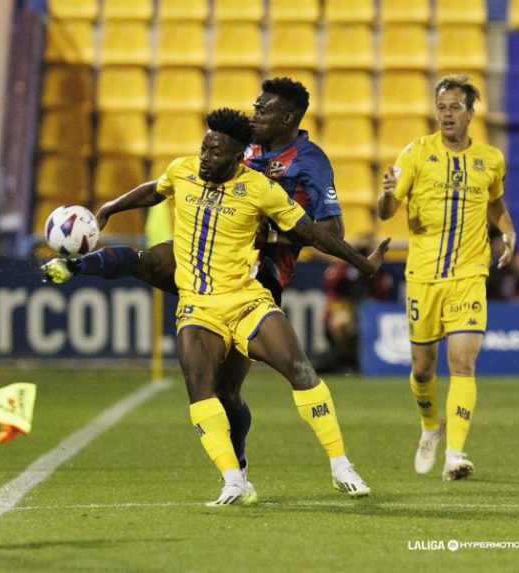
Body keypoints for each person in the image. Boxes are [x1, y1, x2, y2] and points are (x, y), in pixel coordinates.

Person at [43, 78, 346, 479]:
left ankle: (243, 457)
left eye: (263, 109)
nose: (254, 113)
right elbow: (162, 185)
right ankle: (76, 266)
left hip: (261, 271)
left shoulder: (309, 160)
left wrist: (270, 232)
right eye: (254, 106)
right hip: (206, 254)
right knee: (146, 260)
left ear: (288, 117)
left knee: (226, 391)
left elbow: (332, 232)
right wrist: (112, 206)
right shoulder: (241, 146)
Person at [86, 108, 387, 505]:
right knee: (204, 389)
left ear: (237, 155)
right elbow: (155, 189)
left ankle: (340, 466)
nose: (205, 157)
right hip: (198, 305)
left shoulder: (259, 189)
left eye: (215, 151)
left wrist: (360, 261)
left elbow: (310, 232)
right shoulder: (183, 170)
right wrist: (111, 206)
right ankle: (233, 480)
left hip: (247, 299)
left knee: (299, 369)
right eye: (203, 147)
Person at [378, 74, 517, 481]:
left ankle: (455, 452)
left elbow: (495, 203)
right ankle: (429, 427)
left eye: (455, 107)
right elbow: (388, 209)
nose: (447, 114)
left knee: (463, 363)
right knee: (423, 369)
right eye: (441, 107)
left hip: (469, 274)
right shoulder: (417, 153)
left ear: (471, 112)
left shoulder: (491, 159)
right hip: (423, 276)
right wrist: (387, 192)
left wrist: (507, 231)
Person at [319, 236, 395, 373]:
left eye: (365, 250)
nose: (363, 253)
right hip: (345, 309)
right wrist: (349, 260)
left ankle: (363, 362)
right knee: (342, 323)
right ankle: (341, 359)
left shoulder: (379, 272)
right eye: (359, 250)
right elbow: (329, 283)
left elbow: (383, 293)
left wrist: (372, 268)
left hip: (368, 312)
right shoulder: (344, 267)